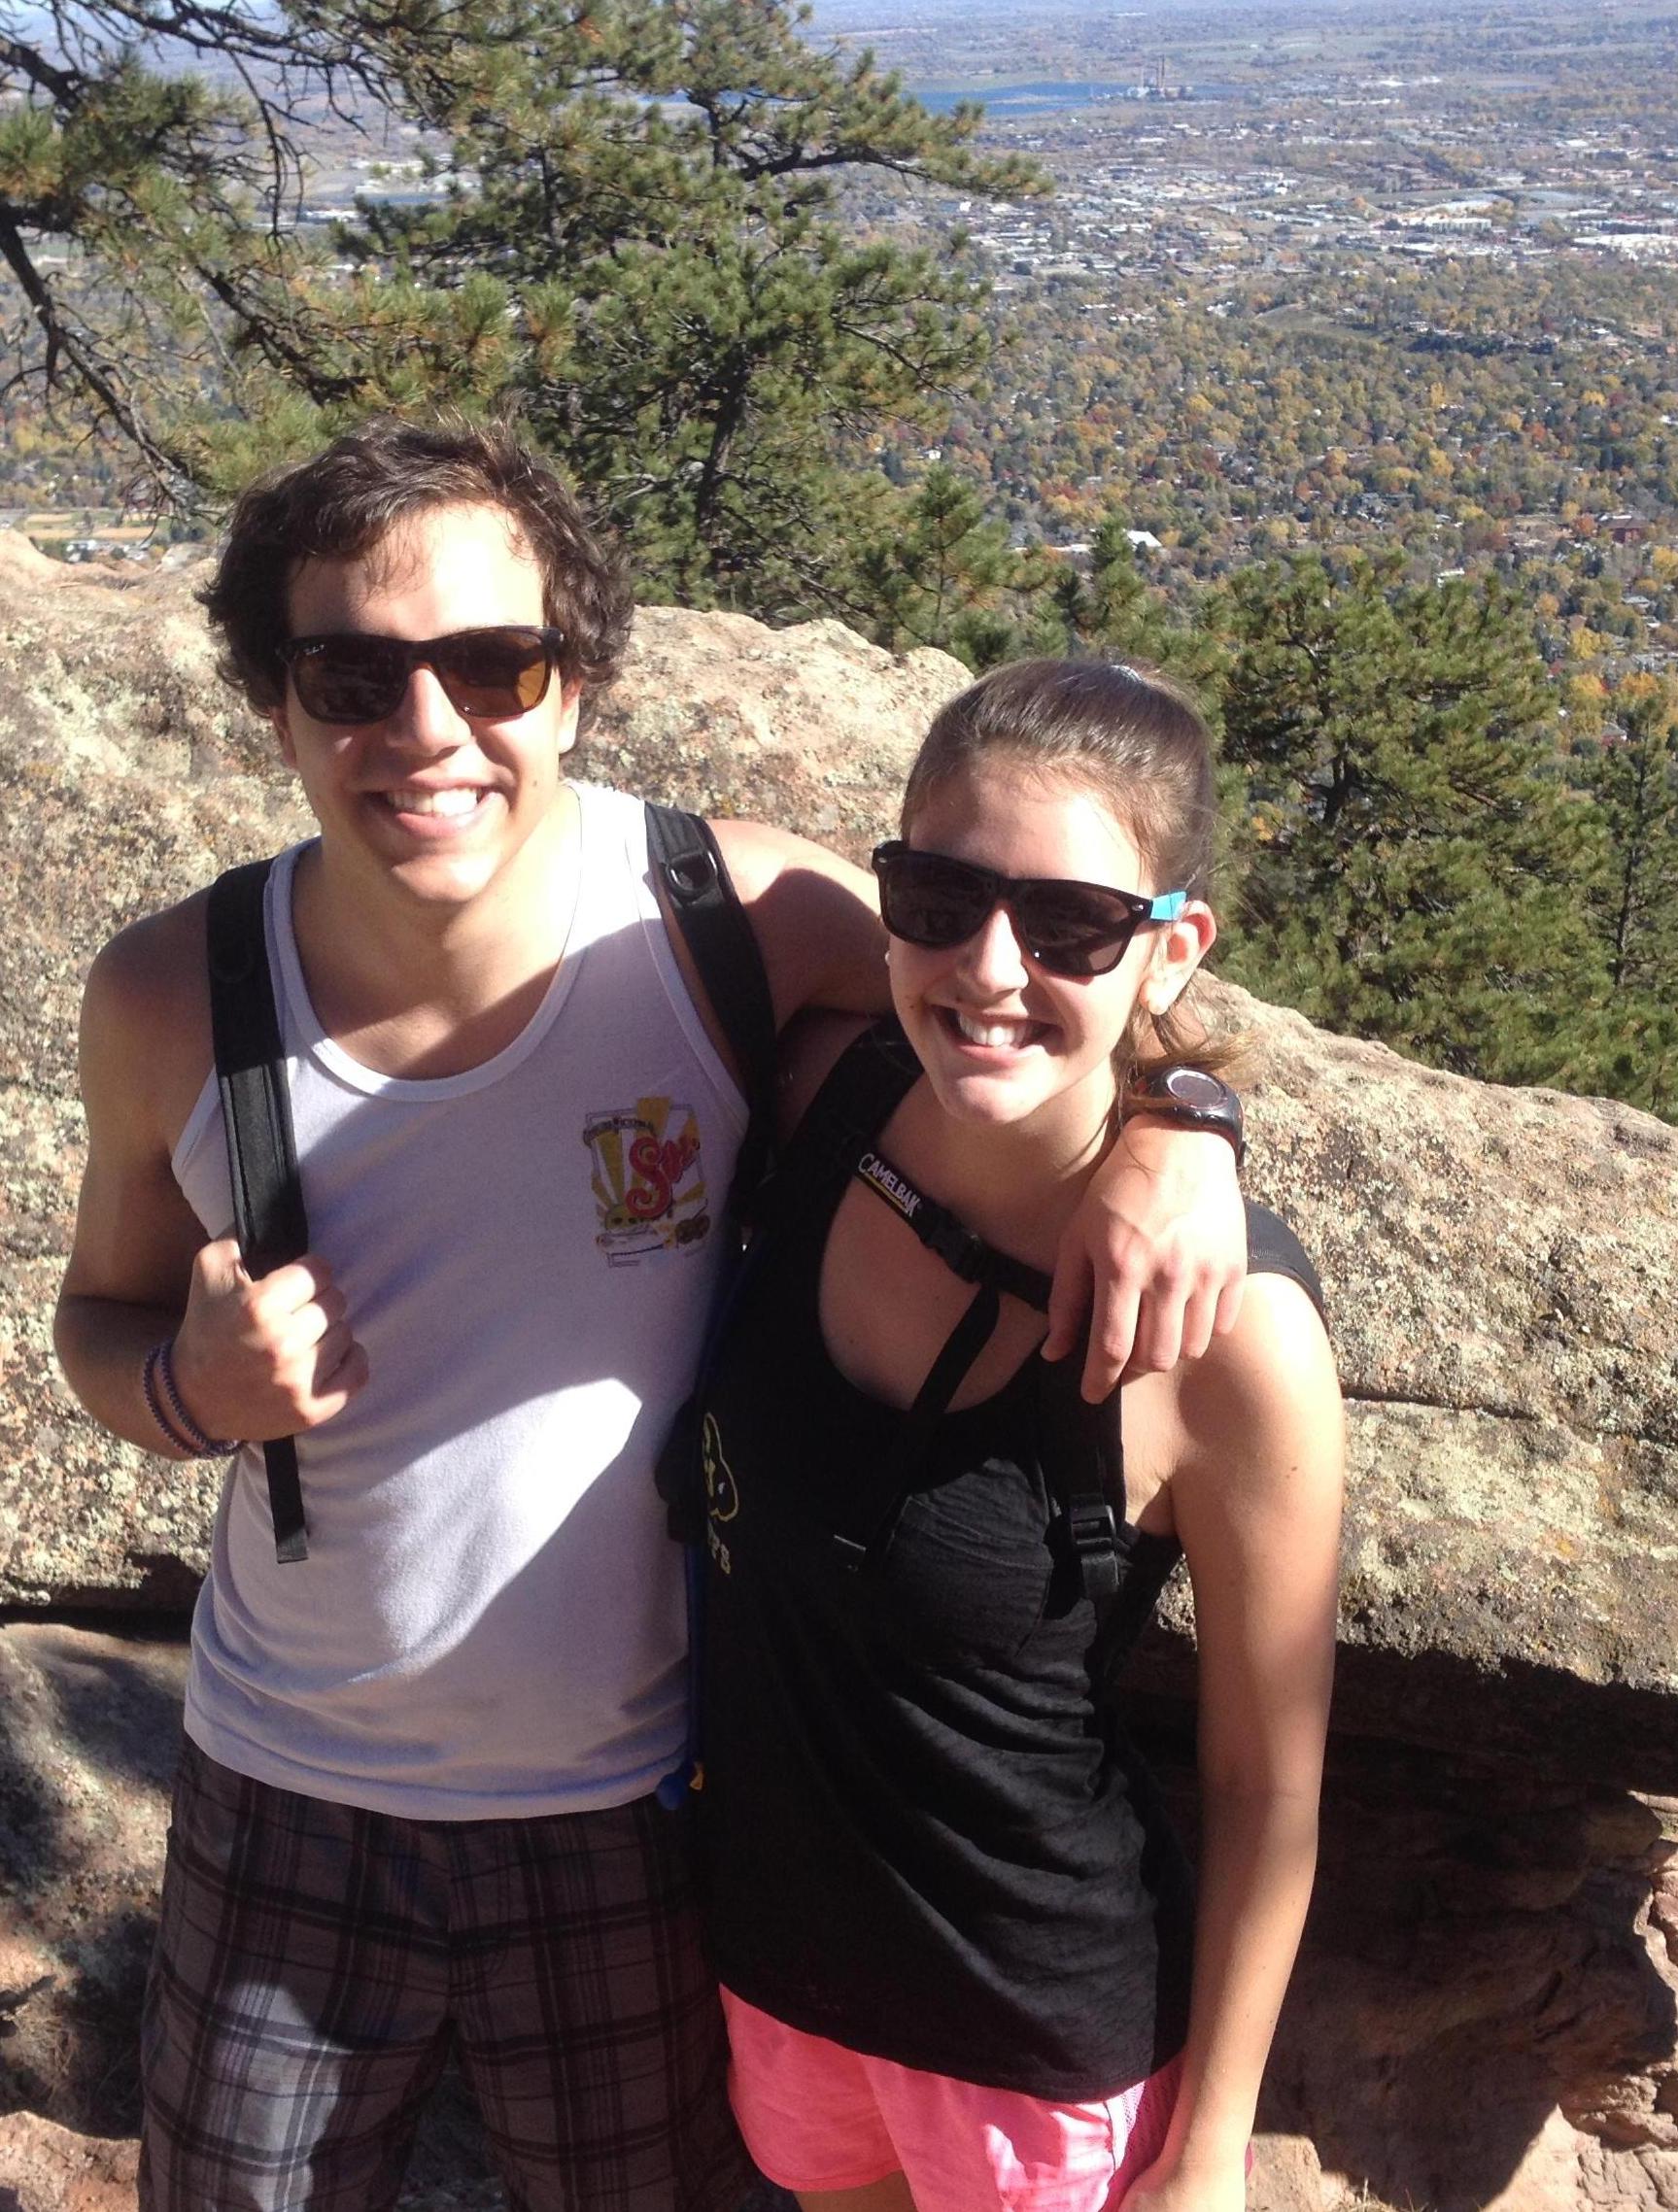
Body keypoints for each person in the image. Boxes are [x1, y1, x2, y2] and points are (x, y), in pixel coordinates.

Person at [51, 419, 1250, 2212]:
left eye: (494, 663)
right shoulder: (176, 993)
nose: (428, 730)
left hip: (629, 1809)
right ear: (275, 700)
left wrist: (1190, 1124)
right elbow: (98, 1319)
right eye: (352, 675)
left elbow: (1019, 985)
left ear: (578, 680)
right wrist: (187, 1382)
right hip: (284, 1782)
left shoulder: (722, 916)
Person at [687, 659, 1345, 2212]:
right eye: (936, 895)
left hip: (1034, 2057)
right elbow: (590, 844)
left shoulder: (1231, 1334)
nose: (988, 967)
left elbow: (1269, 1783)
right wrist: (1191, 1103)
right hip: (783, 1981)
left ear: (1169, 945)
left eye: (1068, 927)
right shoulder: (821, 1103)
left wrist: (1208, 2158)